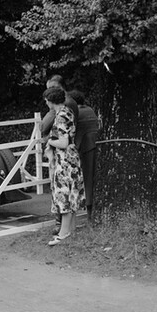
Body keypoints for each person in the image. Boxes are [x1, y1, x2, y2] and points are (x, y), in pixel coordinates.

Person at [42, 86, 85, 246]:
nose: (46, 103)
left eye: (47, 100)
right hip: (72, 157)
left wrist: (49, 141)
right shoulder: (68, 111)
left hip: (64, 159)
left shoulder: (60, 116)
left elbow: (63, 142)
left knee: (63, 193)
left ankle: (64, 232)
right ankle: (71, 229)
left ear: (51, 101)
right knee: (72, 192)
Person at [67, 90, 99, 222]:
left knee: (86, 181)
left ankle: (89, 215)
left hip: (84, 149)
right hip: (94, 146)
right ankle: (90, 213)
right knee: (91, 179)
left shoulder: (77, 113)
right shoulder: (90, 110)